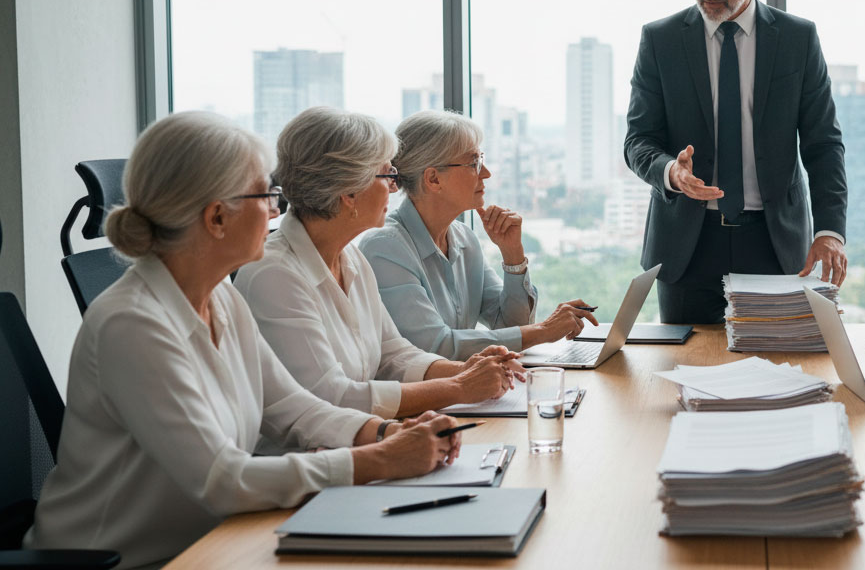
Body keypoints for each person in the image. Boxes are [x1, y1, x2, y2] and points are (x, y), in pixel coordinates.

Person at [24, 112, 464, 569]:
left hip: (210, 543)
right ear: (217, 217)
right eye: (266, 196)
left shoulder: (221, 298)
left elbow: (293, 408)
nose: (277, 211)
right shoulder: (132, 324)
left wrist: (385, 433)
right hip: (120, 562)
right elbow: (221, 479)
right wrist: (378, 461)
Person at [624, 0, 848, 324]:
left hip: (775, 244)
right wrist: (672, 171)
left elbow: (823, 144)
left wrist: (830, 231)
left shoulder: (797, 39)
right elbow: (638, 140)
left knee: (777, 375)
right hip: (686, 249)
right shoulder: (661, 40)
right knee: (682, 376)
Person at [237, 106, 521, 424]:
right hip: (311, 462)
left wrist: (468, 371)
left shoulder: (351, 257)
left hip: (356, 445)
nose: (394, 187)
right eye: (387, 175)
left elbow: (393, 353)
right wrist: (458, 386)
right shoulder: (273, 275)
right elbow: (331, 396)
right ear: (349, 192)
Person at [360, 110, 597, 359]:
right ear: (433, 179)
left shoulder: (464, 239)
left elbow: (510, 326)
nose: (486, 173)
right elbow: (435, 346)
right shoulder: (385, 248)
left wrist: (513, 255)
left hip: (466, 390)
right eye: (474, 163)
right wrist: (544, 330)